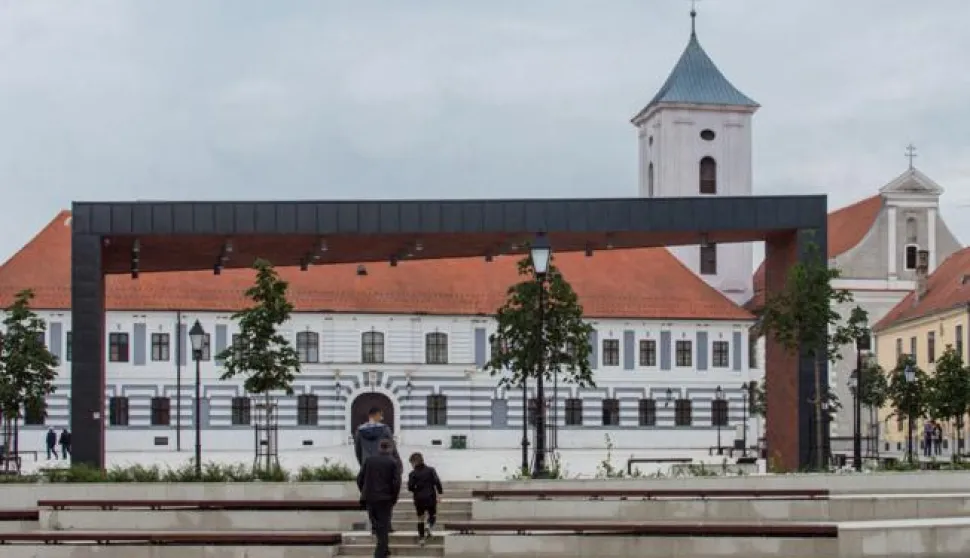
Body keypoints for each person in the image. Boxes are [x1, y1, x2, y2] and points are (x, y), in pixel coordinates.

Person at [354, 407, 402, 533]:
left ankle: (375, 525)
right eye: (381, 415)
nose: (382, 418)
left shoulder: (359, 431)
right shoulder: (385, 429)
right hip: (385, 465)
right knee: (386, 495)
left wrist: (364, 465)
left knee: (370, 497)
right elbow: (391, 447)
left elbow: (358, 451)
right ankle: (387, 525)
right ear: (375, 415)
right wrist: (396, 462)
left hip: (368, 466)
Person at [356, 438, 400, 558]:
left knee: (377, 526)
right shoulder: (392, 462)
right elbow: (396, 483)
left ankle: (384, 551)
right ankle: (380, 554)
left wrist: (365, 492)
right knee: (383, 527)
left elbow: (359, 479)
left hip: (370, 499)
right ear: (390, 448)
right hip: (385, 499)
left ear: (379, 448)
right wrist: (394, 498)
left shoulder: (369, 460)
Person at [407, 452, 443, 545]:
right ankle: (429, 525)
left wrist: (416, 489)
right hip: (430, 497)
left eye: (411, 463)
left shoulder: (412, 473)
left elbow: (410, 487)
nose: (411, 465)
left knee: (420, 518)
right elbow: (437, 481)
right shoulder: (431, 470)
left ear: (415, 462)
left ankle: (422, 539)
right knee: (433, 515)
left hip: (418, 499)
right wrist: (440, 493)